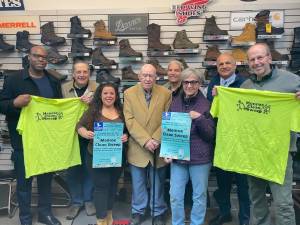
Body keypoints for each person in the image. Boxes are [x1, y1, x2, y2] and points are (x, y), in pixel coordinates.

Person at [0, 46, 62, 225]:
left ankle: (45, 214)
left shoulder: (53, 80)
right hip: (23, 142)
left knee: (45, 181)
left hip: (46, 141)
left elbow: (58, 109)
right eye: (37, 56)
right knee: (24, 184)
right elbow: (1, 104)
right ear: (29, 57)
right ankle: (25, 218)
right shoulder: (13, 79)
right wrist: (14, 103)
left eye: (44, 57)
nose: (41, 59)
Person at [241, 43, 300, 225]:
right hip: (254, 152)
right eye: (252, 59)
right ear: (248, 63)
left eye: (260, 57)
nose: (256, 62)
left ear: (269, 58)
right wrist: (220, 95)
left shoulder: (292, 81)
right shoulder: (245, 86)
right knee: (257, 201)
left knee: (283, 203)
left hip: (280, 153)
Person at [164, 68, 215, 225]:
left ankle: (196, 223)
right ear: (182, 83)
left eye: (193, 82)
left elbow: (210, 135)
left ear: (199, 83)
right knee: (175, 195)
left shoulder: (206, 104)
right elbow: (170, 130)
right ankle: (177, 223)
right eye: (186, 82)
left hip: (200, 158)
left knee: (199, 196)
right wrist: (167, 151)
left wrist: (199, 118)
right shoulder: (175, 103)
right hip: (178, 158)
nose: (189, 85)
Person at [123, 64, 171, 225]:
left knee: (158, 182)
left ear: (156, 77)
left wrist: (156, 139)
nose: (148, 78)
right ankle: (138, 211)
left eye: (151, 75)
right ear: (139, 77)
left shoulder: (166, 93)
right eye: (144, 75)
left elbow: (167, 118)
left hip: (158, 146)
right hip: (138, 147)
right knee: (138, 183)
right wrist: (146, 140)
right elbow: (129, 120)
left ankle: (158, 211)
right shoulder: (129, 93)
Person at [207, 53, 250, 225]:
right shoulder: (213, 82)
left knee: (243, 186)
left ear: (235, 65)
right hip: (222, 142)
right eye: (220, 64)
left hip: (241, 144)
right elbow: (211, 109)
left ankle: (244, 219)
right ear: (217, 67)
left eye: (227, 63)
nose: (224, 66)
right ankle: (225, 213)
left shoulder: (246, 84)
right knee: (223, 182)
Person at [76, 83, 128, 225]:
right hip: (95, 156)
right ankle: (100, 220)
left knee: (112, 186)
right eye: (105, 93)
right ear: (100, 95)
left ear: (116, 96)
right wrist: (85, 133)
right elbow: (79, 126)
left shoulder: (122, 111)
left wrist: (126, 136)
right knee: (101, 187)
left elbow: (128, 130)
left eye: (112, 93)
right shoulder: (93, 110)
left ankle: (109, 217)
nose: (109, 96)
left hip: (117, 157)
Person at [61, 60, 97, 219]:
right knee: (73, 170)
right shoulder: (63, 88)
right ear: (73, 74)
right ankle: (76, 201)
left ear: (89, 73)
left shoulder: (98, 88)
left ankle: (88, 200)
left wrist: (94, 103)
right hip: (70, 137)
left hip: (91, 136)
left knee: (90, 168)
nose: (82, 75)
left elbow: (108, 107)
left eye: (85, 72)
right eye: (79, 72)